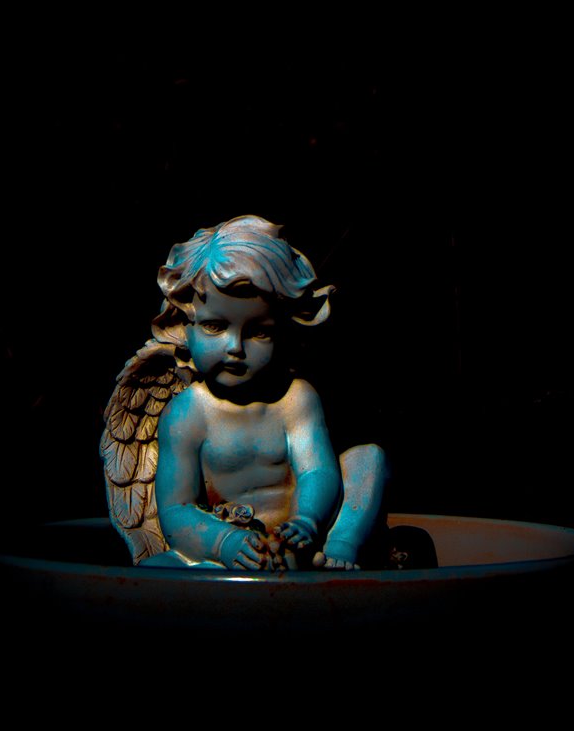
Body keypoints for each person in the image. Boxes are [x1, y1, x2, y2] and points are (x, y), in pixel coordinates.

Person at [105, 215, 387, 570]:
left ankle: (341, 550)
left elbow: (318, 472)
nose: (234, 347)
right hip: (231, 552)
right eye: (214, 326)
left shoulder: (295, 399)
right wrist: (225, 542)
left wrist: (306, 521)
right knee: (157, 570)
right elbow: (177, 510)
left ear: (284, 332)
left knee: (368, 459)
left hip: (301, 540)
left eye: (259, 332)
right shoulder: (186, 413)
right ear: (183, 324)